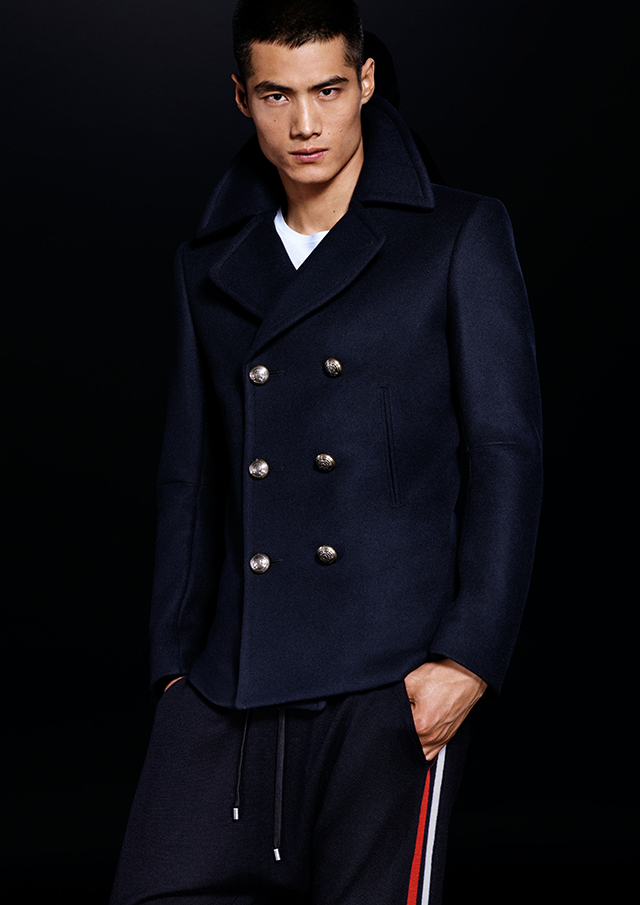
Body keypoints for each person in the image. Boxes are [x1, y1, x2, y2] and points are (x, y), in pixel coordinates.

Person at [109, 2, 542, 903]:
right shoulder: (208, 264)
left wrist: (468, 656)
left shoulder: (456, 235)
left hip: (391, 671)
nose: (305, 124)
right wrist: (173, 670)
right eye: (277, 95)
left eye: (328, 91)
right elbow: (190, 477)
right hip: (231, 672)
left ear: (366, 83)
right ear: (241, 97)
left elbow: (505, 451)